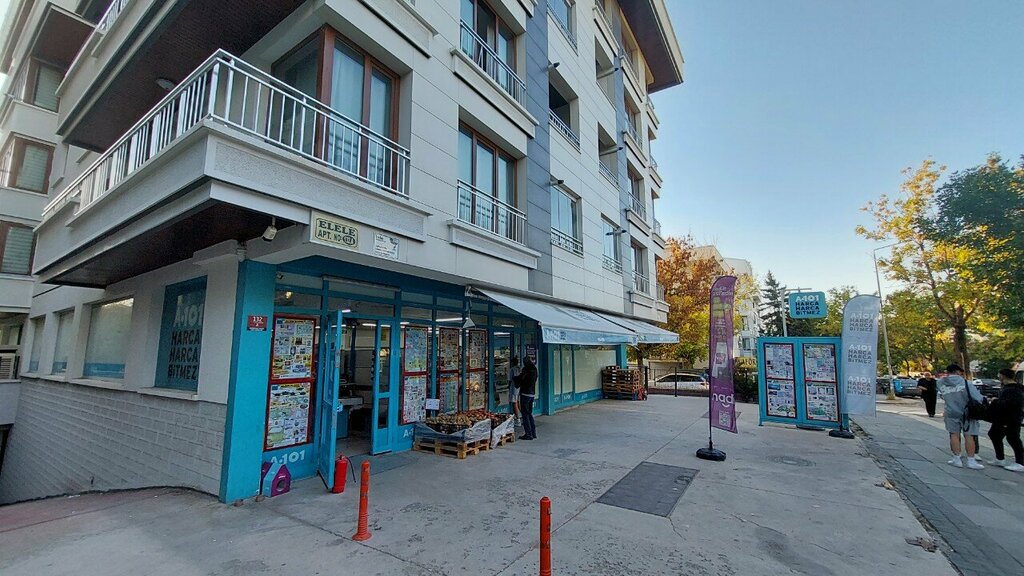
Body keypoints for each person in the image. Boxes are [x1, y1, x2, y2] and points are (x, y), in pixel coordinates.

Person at [938, 364, 985, 469]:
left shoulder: (940, 382)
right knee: (969, 436)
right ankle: (971, 461)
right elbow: (978, 398)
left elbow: (941, 394)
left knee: (954, 435)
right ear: (957, 372)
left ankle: (957, 459)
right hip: (967, 413)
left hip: (950, 411)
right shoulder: (966, 383)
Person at [987, 368, 1024, 472]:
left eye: (999, 375)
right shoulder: (1012, 387)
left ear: (1003, 376)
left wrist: (995, 401)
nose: (999, 377)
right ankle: (1000, 458)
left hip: (1010, 418)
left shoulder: (1013, 389)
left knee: (1013, 438)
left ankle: (1020, 462)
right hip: (1003, 417)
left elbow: (1010, 403)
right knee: (994, 434)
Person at [517, 356, 538, 440]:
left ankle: (528, 434)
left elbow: (522, 379)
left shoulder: (526, 370)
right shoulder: (534, 369)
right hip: (532, 393)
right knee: (529, 413)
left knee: (525, 414)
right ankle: (533, 433)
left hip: (525, 393)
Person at [508, 356, 522, 426]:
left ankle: (518, 419)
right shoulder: (520, 368)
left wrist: (508, 386)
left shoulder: (512, 369)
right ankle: (524, 417)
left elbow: (510, 380)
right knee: (518, 402)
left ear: (512, 362)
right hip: (520, 388)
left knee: (514, 403)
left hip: (514, 388)